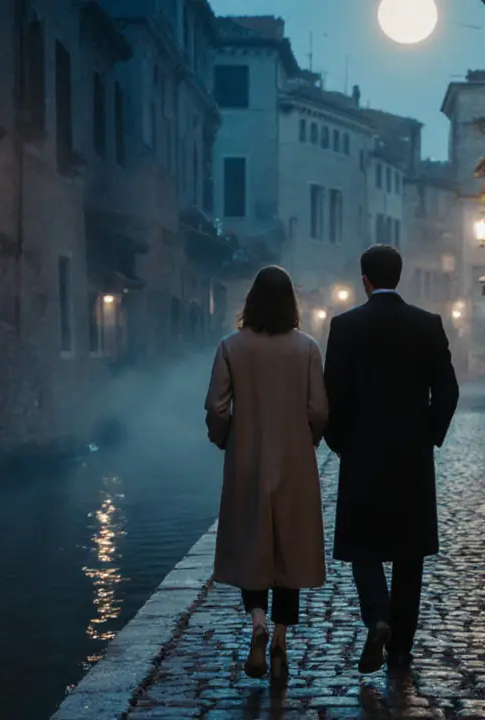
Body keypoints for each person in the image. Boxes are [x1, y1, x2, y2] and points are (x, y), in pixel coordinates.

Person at [323, 245, 460, 676]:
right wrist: (429, 435)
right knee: (408, 552)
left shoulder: (345, 327)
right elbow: (449, 392)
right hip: (411, 458)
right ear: (399, 277)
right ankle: (400, 650)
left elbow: (333, 396)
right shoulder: (427, 325)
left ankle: (377, 617)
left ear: (364, 281)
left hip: (362, 454)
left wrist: (341, 442)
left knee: (363, 545)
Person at [204, 265, 329, 681]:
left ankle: (257, 623)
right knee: (288, 551)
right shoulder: (308, 348)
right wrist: (307, 441)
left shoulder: (230, 347)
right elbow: (319, 411)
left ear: (251, 302)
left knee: (253, 544)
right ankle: (279, 637)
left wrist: (225, 440)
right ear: (291, 304)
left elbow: (217, 408)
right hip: (294, 463)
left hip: (248, 462)